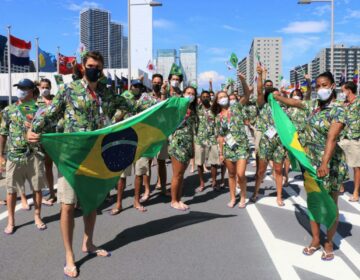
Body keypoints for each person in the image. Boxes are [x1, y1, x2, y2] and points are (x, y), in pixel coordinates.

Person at [28, 51, 132, 278]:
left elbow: (131, 107)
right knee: (67, 205)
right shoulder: (69, 89)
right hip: (71, 156)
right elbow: (50, 113)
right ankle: (69, 255)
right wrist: (34, 128)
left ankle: (89, 243)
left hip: (95, 156)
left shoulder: (106, 92)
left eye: (99, 66)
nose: (96, 69)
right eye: (92, 65)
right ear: (83, 67)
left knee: (91, 203)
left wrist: (166, 107)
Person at [274, 71, 348, 261]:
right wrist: (278, 97)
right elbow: (295, 103)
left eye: (324, 85)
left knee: (330, 203)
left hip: (330, 164)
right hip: (310, 163)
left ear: (332, 86)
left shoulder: (339, 109)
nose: (321, 89)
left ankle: (329, 241)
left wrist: (324, 162)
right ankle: (316, 240)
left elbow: (331, 138)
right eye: (317, 86)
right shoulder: (312, 106)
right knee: (314, 201)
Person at [0, 79, 47, 235]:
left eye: (24, 88)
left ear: (31, 91)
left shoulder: (40, 110)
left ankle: (37, 217)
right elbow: (3, 134)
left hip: (34, 155)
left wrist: (35, 128)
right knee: (11, 190)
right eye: (19, 88)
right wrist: (0, 154)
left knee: (37, 188)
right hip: (14, 156)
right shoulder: (9, 110)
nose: (20, 90)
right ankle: (11, 221)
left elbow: (48, 132)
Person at [212, 73, 251, 208]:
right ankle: (233, 197)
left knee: (240, 174)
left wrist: (242, 80)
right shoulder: (218, 117)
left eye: (224, 96)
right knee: (231, 174)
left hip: (241, 146)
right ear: (217, 101)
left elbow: (247, 95)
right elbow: (221, 136)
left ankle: (243, 197)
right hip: (228, 148)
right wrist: (221, 153)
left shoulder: (236, 107)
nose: (223, 99)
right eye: (220, 97)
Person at [251, 65, 286, 207]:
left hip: (279, 143)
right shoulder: (262, 105)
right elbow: (259, 91)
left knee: (278, 170)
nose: (274, 97)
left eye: (277, 95)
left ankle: (279, 196)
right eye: (272, 94)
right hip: (265, 141)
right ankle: (256, 192)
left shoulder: (283, 107)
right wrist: (260, 75)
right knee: (261, 171)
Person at [168, 86, 198, 211]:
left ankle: (178, 199)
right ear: (183, 94)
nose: (190, 95)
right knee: (177, 174)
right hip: (178, 143)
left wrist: (192, 146)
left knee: (181, 175)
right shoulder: (178, 107)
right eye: (188, 93)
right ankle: (174, 201)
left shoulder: (193, 109)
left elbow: (191, 130)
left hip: (187, 144)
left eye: (192, 94)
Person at [36, 78, 57, 206]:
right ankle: (52, 193)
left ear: (50, 87)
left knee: (63, 166)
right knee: (47, 166)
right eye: (42, 87)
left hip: (58, 137)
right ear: (39, 88)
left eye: (47, 87)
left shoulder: (56, 100)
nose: (45, 89)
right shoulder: (37, 102)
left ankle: (72, 195)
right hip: (44, 138)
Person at [339, 81, 360, 202]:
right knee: (338, 162)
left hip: (355, 138)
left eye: (343, 90)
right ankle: (340, 186)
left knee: (356, 166)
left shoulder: (358, 102)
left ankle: (356, 192)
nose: (342, 93)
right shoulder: (344, 104)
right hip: (343, 137)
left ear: (349, 90)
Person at [194, 90, 219, 192]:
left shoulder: (215, 109)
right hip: (200, 139)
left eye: (207, 96)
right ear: (200, 98)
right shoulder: (197, 109)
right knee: (199, 163)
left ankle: (214, 181)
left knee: (214, 162)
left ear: (210, 97)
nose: (205, 98)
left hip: (213, 138)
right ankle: (202, 182)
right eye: (203, 96)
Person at [151, 74, 171, 196]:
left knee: (161, 161)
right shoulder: (146, 97)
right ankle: (147, 190)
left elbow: (164, 108)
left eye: (159, 83)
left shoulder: (166, 97)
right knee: (147, 162)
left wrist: (164, 92)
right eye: (155, 82)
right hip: (149, 133)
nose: (157, 84)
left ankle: (163, 187)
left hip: (161, 133)